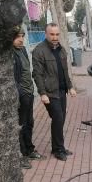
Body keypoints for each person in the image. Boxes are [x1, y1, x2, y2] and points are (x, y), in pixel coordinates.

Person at [32, 23, 77, 161]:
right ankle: (58, 150)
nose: (55, 37)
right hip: (50, 92)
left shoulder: (61, 49)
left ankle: (58, 147)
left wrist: (70, 86)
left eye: (57, 34)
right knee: (57, 118)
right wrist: (42, 93)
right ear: (46, 34)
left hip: (62, 91)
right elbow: (37, 74)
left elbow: (65, 71)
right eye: (52, 34)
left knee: (60, 119)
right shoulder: (39, 50)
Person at [12, 27, 43, 169]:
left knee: (29, 122)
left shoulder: (22, 50)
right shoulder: (10, 54)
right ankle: (22, 154)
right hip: (21, 94)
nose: (20, 39)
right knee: (22, 124)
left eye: (22, 36)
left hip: (29, 92)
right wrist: (18, 93)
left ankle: (29, 149)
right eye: (17, 37)